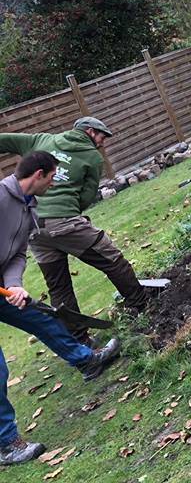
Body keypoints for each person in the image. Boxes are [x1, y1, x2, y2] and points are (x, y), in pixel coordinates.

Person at [0, 151, 121, 465]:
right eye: (52, 178)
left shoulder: (29, 207)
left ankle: (86, 361)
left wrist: (13, 284)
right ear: (38, 174)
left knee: (43, 318)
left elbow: (18, 253)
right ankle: (6, 445)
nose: (53, 184)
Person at [0, 117, 149, 344]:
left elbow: (3, 141)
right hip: (64, 222)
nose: (102, 143)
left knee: (58, 285)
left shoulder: (40, 140)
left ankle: (80, 340)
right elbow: (87, 196)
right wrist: (66, 211)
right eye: (101, 137)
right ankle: (142, 306)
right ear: (89, 131)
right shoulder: (93, 158)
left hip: (34, 229)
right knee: (112, 260)